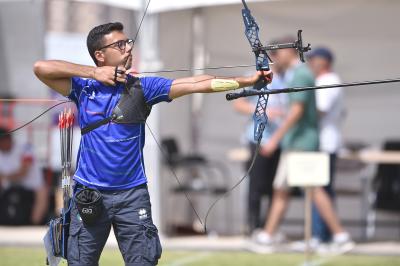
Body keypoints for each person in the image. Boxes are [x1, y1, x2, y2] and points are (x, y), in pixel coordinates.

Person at [33, 22, 273, 265]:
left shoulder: (142, 88)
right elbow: (41, 68)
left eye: (128, 42)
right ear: (100, 55)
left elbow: (196, 84)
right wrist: (93, 72)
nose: (128, 48)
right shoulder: (83, 87)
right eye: (119, 44)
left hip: (132, 195)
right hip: (90, 194)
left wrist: (246, 81)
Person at [251, 37, 352, 253]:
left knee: (312, 189)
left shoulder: (301, 74)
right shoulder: (297, 74)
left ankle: (341, 236)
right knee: (282, 190)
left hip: (302, 143)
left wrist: (275, 139)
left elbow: (297, 111)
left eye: (277, 52)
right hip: (296, 142)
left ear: (290, 51)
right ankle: (267, 236)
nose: (274, 57)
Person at [233, 66, 286, 234]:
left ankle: (267, 230)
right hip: (258, 140)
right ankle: (253, 228)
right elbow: (239, 103)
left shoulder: (289, 76)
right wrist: (263, 111)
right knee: (255, 187)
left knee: (274, 189)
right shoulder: (255, 76)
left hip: (280, 141)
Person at [308, 47, 344, 244]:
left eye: (314, 59)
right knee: (321, 189)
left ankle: (321, 235)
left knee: (319, 189)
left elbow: (319, 110)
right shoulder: (325, 80)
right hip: (324, 142)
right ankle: (324, 235)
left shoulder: (328, 81)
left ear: (325, 61)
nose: (311, 63)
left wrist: (296, 111)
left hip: (324, 143)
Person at [0, 127, 48, 225]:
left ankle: (34, 224)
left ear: (7, 139)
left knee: (43, 192)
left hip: (32, 184)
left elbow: (23, 172)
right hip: (10, 185)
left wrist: (6, 177)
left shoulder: (24, 147)